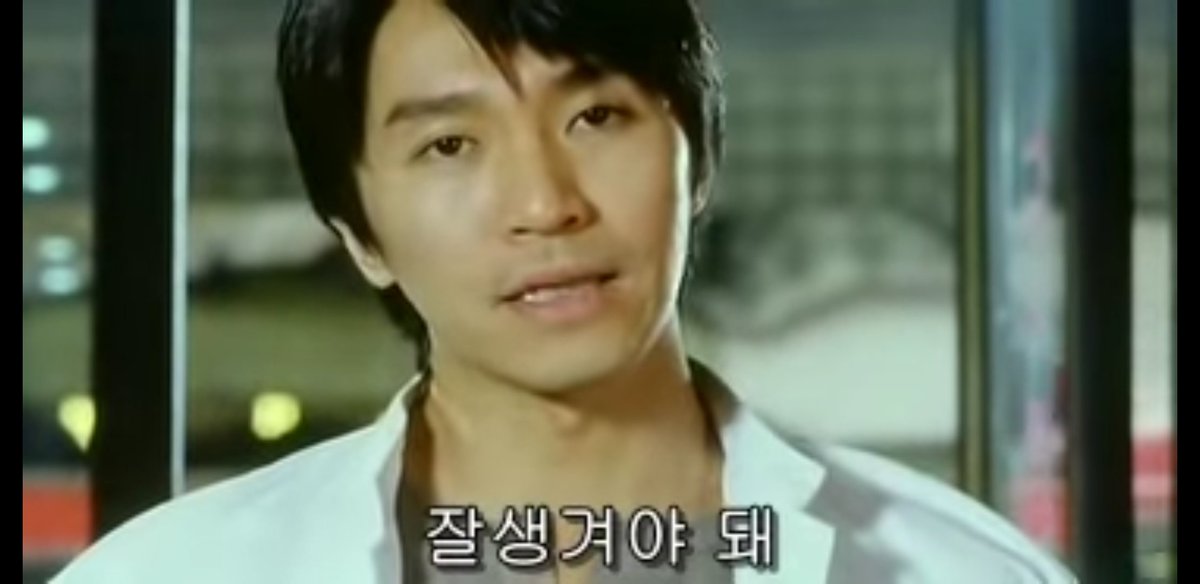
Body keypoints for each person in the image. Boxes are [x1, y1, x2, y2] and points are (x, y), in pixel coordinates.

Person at [54, 0, 1077, 582]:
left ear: (697, 158)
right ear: (359, 233)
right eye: (450, 145)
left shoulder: (957, 569)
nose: (545, 203)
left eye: (596, 118)